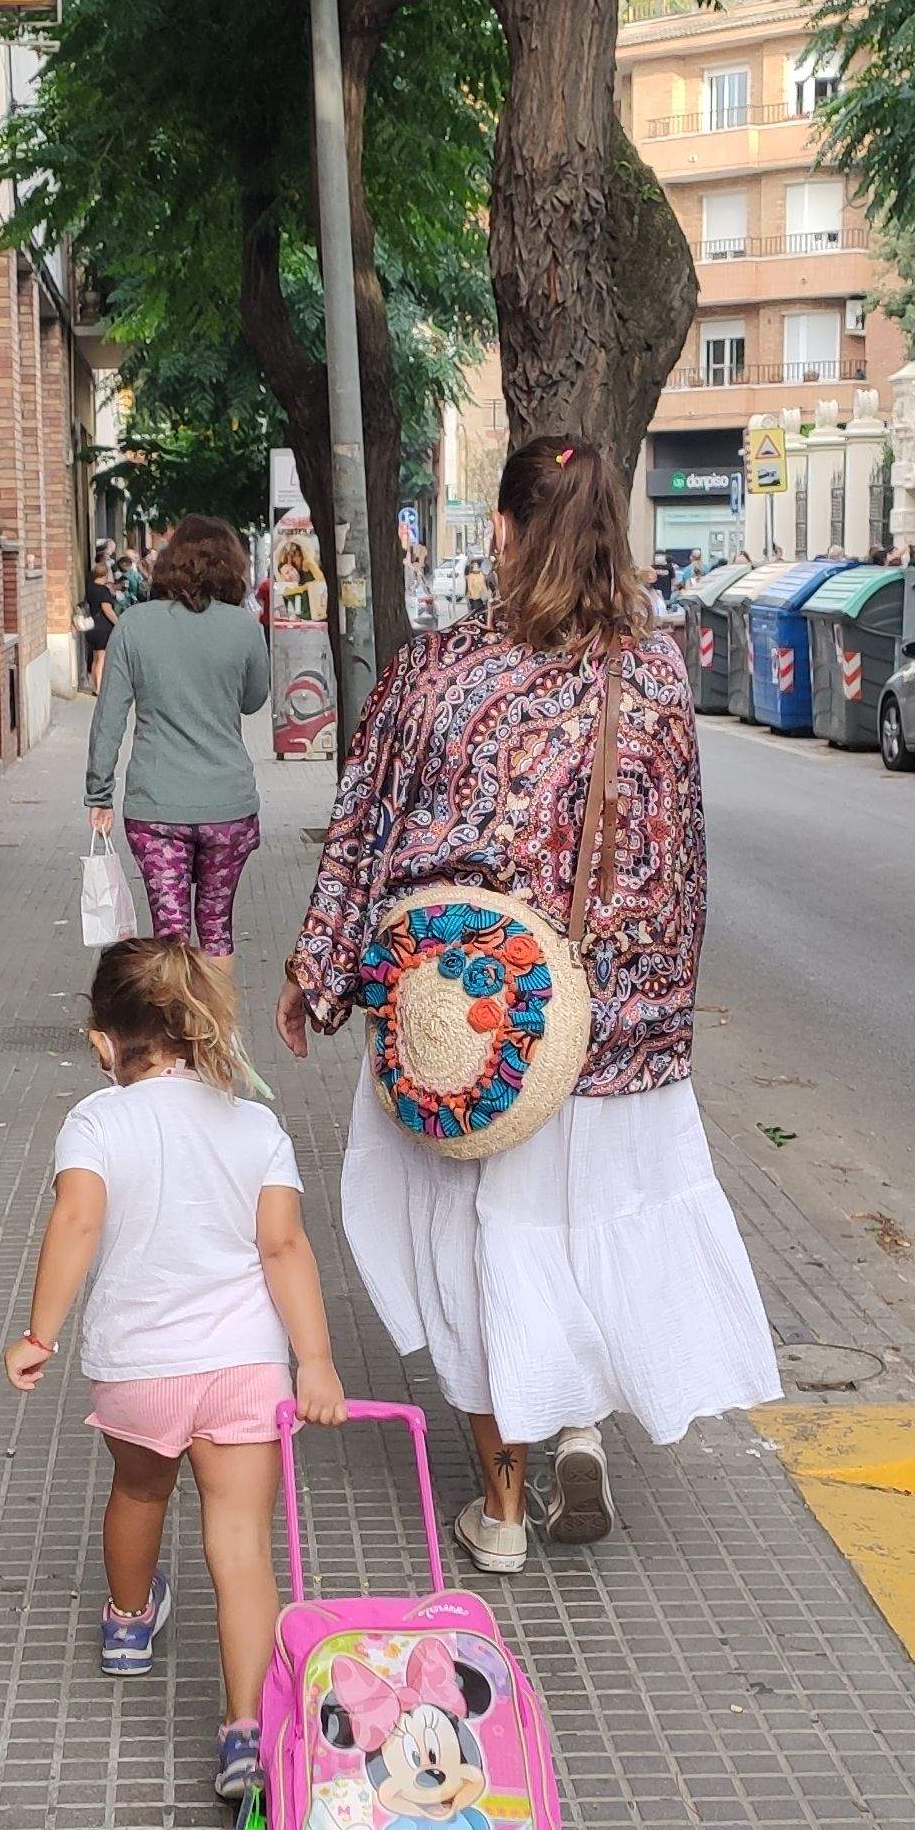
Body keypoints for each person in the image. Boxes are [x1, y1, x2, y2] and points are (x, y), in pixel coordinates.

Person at [279, 437, 780, 1572]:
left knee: (473, 1248)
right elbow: (677, 867)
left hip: (470, 1023)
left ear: (500, 532)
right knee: (573, 1233)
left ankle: (500, 1506)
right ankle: (579, 1423)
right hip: (608, 1035)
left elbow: (362, 822)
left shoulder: (437, 669)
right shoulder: (652, 675)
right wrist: (651, 1027)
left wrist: (318, 971)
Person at [3, 937, 347, 1799]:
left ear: (102, 1042)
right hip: (245, 1366)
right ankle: (247, 1733)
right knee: (240, 1546)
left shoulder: (95, 1120)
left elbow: (77, 1223)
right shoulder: (256, 1124)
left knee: (140, 1492)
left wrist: (39, 1334)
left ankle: (126, 1625)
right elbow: (284, 1244)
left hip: (140, 1369)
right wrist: (317, 1361)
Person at [85, 515, 274, 956]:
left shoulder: (134, 624)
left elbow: (109, 716)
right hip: (228, 804)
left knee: (170, 934)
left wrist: (99, 793)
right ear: (231, 567)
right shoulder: (245, 627)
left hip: (155, 806)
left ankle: (175, 1025)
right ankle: (220, 1026)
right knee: (217, 928)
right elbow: (253, 701)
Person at [78, 556, 121, 699]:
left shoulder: (90, 588)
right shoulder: (103, 591)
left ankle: (95, 685)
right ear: (105, 574)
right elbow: (107, 609)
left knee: (96, 657)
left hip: (92, 625)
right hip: (103, 627)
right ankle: (99, 688)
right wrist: (118, 623)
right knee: (102, 657)